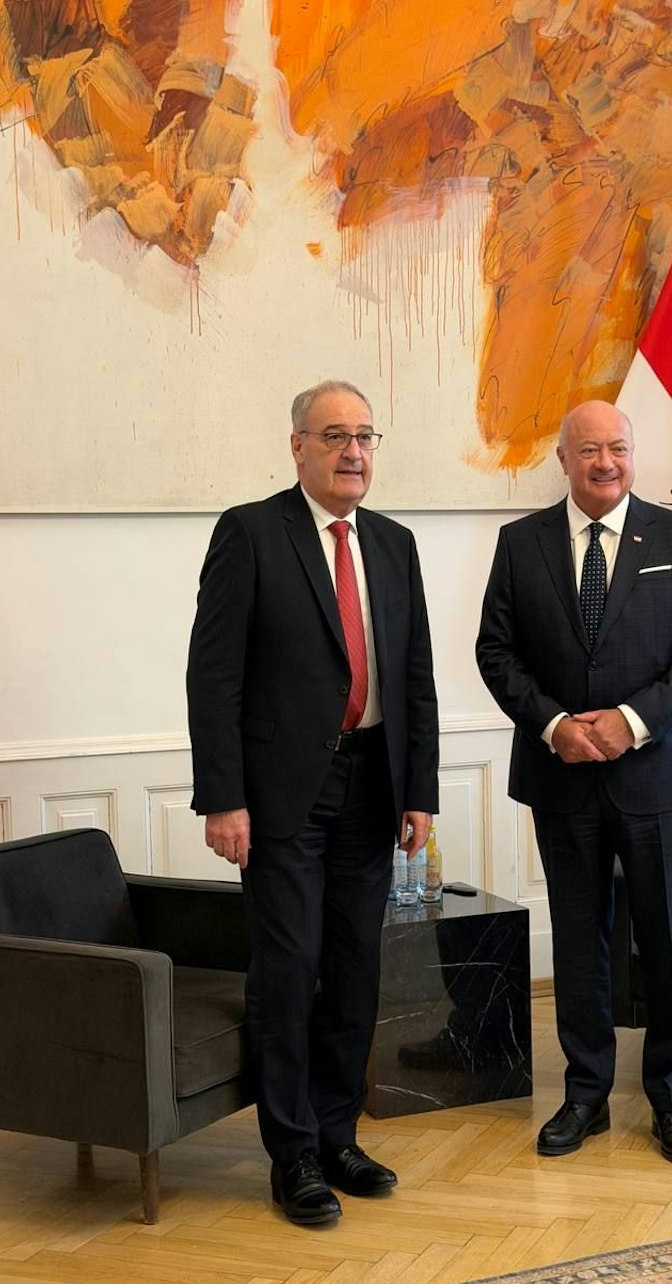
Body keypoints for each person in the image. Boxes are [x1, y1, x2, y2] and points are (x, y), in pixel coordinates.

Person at [187, 380, 439, 1226]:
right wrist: (224, 797)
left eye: (365, 435)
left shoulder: (396, 545)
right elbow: (213, 677)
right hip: (279, 797)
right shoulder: (251, 533)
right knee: (290, 972)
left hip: (374, 788)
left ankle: (337, 1135)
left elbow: (414, 677)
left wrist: (421, 790)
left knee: (356, 972)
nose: (353, 451)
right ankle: (291, 1152)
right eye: (334, 435)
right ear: (297, 447)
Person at [476, 400, 672, 1164]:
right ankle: (585, 1095)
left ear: (632, 453)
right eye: (589, 450)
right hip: (562, 778)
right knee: (579, 942)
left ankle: (671, 1102)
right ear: (563, 458)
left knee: (667, 942)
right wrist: (555, 725)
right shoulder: (519, 544)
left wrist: (630, 720)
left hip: (658, 776)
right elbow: (495, 652)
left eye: (617, 447)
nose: (605, 462)